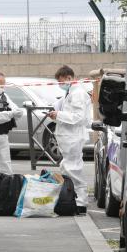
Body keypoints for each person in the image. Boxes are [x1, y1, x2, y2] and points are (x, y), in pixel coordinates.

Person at [47, 65, 92, 214]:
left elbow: (78, 117)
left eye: (61, 82)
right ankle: (74, 199)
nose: (60, 85)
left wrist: (58, 115)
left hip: (73, 137)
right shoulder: (71, 92)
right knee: (69, 168)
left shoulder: (77, 93)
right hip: (68, 137)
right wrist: (57, 114)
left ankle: (80, 201)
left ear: (69, 78)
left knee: (73, 169)